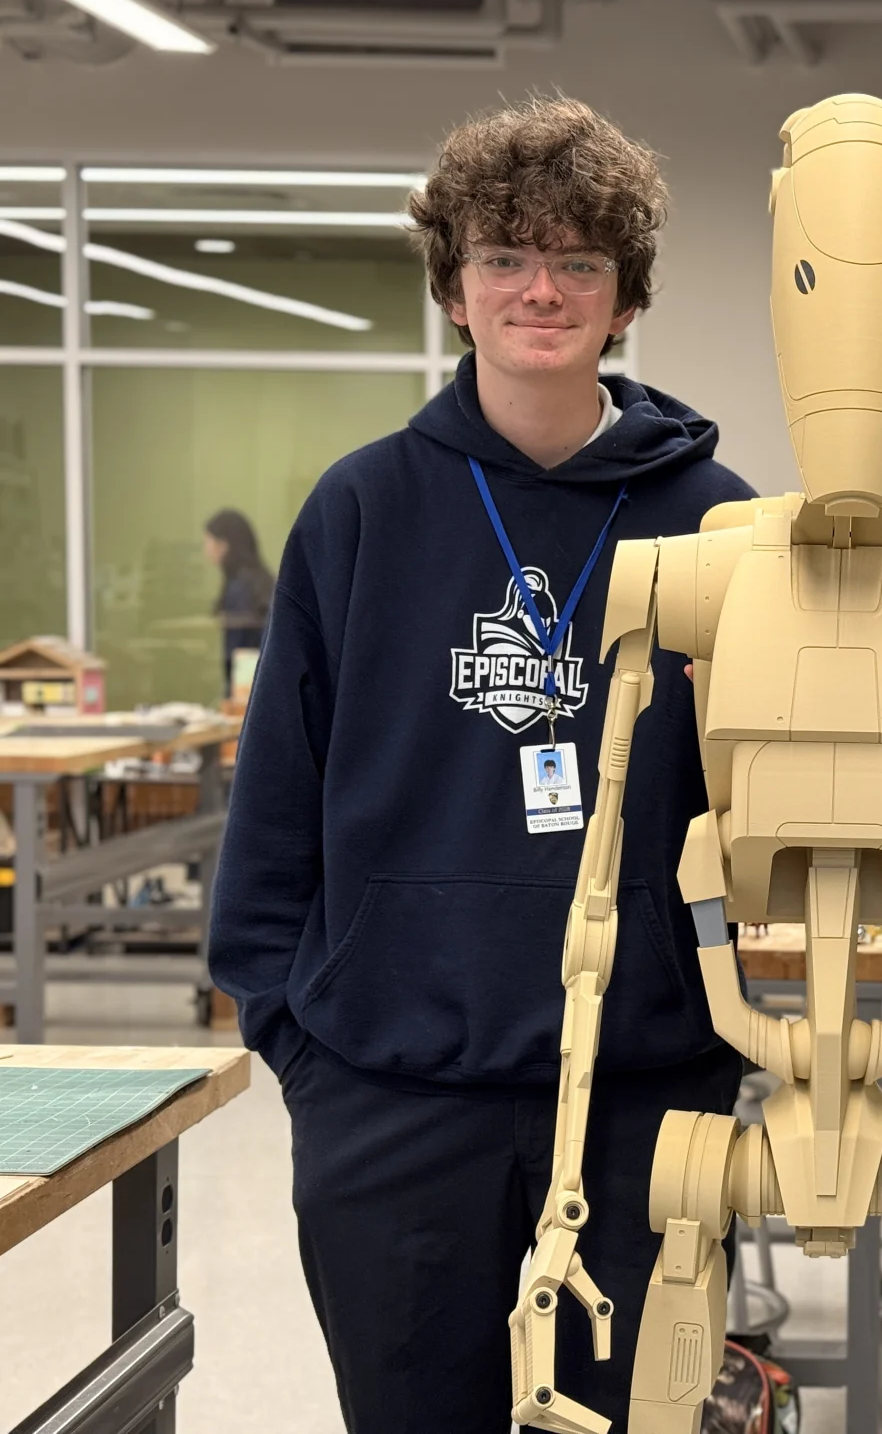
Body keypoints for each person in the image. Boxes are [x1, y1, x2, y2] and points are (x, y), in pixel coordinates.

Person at [208, 96, 754, 1434]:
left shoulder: (723, 524)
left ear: (627, 298)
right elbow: (277, 796)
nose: (540, 291)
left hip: (645, 1093)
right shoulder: (362, 507)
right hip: (393, 1097)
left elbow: (801, 782)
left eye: (579, 261)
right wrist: (303, 1045)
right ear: (455, 288)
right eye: (505, 256)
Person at [203, 507, 274, 691]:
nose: (206, 550)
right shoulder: (261, 580)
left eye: (208, 541)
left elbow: (238, 648)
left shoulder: (241, 587)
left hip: (247, 686)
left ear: (224, 545)